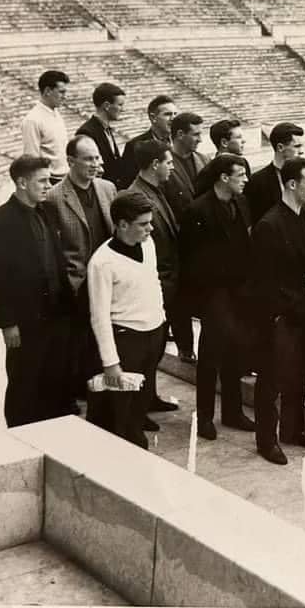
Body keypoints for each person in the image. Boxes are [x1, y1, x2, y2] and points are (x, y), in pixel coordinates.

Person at [0, 156, 74, 428]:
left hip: (55, 315)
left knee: (54, 381)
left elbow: (57, 262)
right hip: (25, 320)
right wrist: (8, 323)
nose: (49, 185)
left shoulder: (46, 211)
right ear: (22, 182)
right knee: (25, 383)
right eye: (42, 180)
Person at [251, 157, 305, 465]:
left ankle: (293, 430)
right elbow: (265, 281)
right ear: (292, 184)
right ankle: (266, 440)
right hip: (282, 317)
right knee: (272, 380)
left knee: (300, 374)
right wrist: (288, 310)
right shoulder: (269, 225)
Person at [182, 154, 255, 440]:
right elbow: (189, 259)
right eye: (241, 175)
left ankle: (233, 412)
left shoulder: (241, 203)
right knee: (210, 356)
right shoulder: (197, 211)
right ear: (224, 177)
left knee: (236, 351)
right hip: (213, 293)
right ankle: (204, 418)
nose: (246, 180)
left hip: (238, 291)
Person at [86, 192, 168, 449]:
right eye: (143, 224)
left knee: (139, 409)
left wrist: (160, 320)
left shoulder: (148, 244)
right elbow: (99, 316)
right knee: (116, 417)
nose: (150, 228)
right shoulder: (102, 262)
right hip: (125, 341)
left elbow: (153, 283)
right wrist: (111, 363)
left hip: (153, 336)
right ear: (122, 225)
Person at [46, 135, 116, 407]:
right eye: (88, 159)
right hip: (78, 283)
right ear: (70, 161)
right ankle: (77, 393)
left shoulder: (107, 188)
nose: (95, 164)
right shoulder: (53, 197)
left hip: (109, 279)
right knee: (79, 344)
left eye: (97, 158)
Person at [126, 140, 182, 423]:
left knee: (156, 349)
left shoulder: (154, 191)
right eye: (168, 162)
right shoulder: (137, 197)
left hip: (165, 284)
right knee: (146, 351)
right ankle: (139, 406)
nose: (172, 167)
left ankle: (149, 397)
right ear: (154, 165)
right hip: (154, 284)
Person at [164, 111, 210, 363]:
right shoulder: (165, 163)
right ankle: (184, 346)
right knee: (179, 299)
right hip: (177, 242)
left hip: (201, 244)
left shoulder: (203, 159)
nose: (200, 139)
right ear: (179, 134)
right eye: (195, 134)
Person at [244, 122, 304, 226]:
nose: (301, 151)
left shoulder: (303, 177)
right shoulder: (256, 182)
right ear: (280, 147)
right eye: (297, 146)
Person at [21, 70, 70, 184]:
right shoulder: (32, 120)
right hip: (50, 181)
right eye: (61, 92)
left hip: (65, 178)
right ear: (48, 91)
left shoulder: (56, 113)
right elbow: (31, 159)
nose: (65, 97)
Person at [119, 94, 176, 190]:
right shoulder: (135, 146)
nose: (173, 118)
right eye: (168, 114)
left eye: (175, 114)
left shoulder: (178, 142)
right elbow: (128, 183)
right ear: (153, 117)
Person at [77, 82, 127, 186]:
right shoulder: (87, 132)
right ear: (107, 106)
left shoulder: (106, 129)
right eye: (120, 105)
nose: (123, 109)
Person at [194, 119, 251, 196]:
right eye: (238, 137)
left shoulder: (243, 163)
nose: (244, 141)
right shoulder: (207, 172)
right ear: (224, 142)